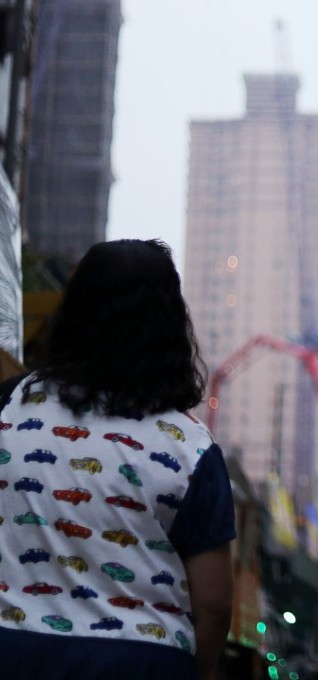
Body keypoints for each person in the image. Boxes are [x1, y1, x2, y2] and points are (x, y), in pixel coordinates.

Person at [0, 239, 236, 680]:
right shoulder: (192, 448)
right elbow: (215, 605)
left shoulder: (9, 408)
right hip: (142, 663)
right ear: (169, 325)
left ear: (73, 315)